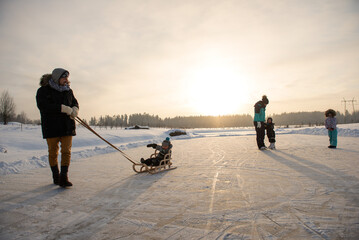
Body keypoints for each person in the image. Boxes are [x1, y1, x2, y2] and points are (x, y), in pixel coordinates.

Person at [36, 68, 79, 187]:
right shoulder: (43, 91)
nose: (66, 80)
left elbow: (75, 102)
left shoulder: (68, 91)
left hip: (67, 126)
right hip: (52, 126)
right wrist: (62, 108)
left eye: (67, 78)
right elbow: (43, 106)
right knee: (53, 152)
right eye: (63, 77)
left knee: (66, 151)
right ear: (56, 78)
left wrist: (75, 109)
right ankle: (56, 176)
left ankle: (64, 177)